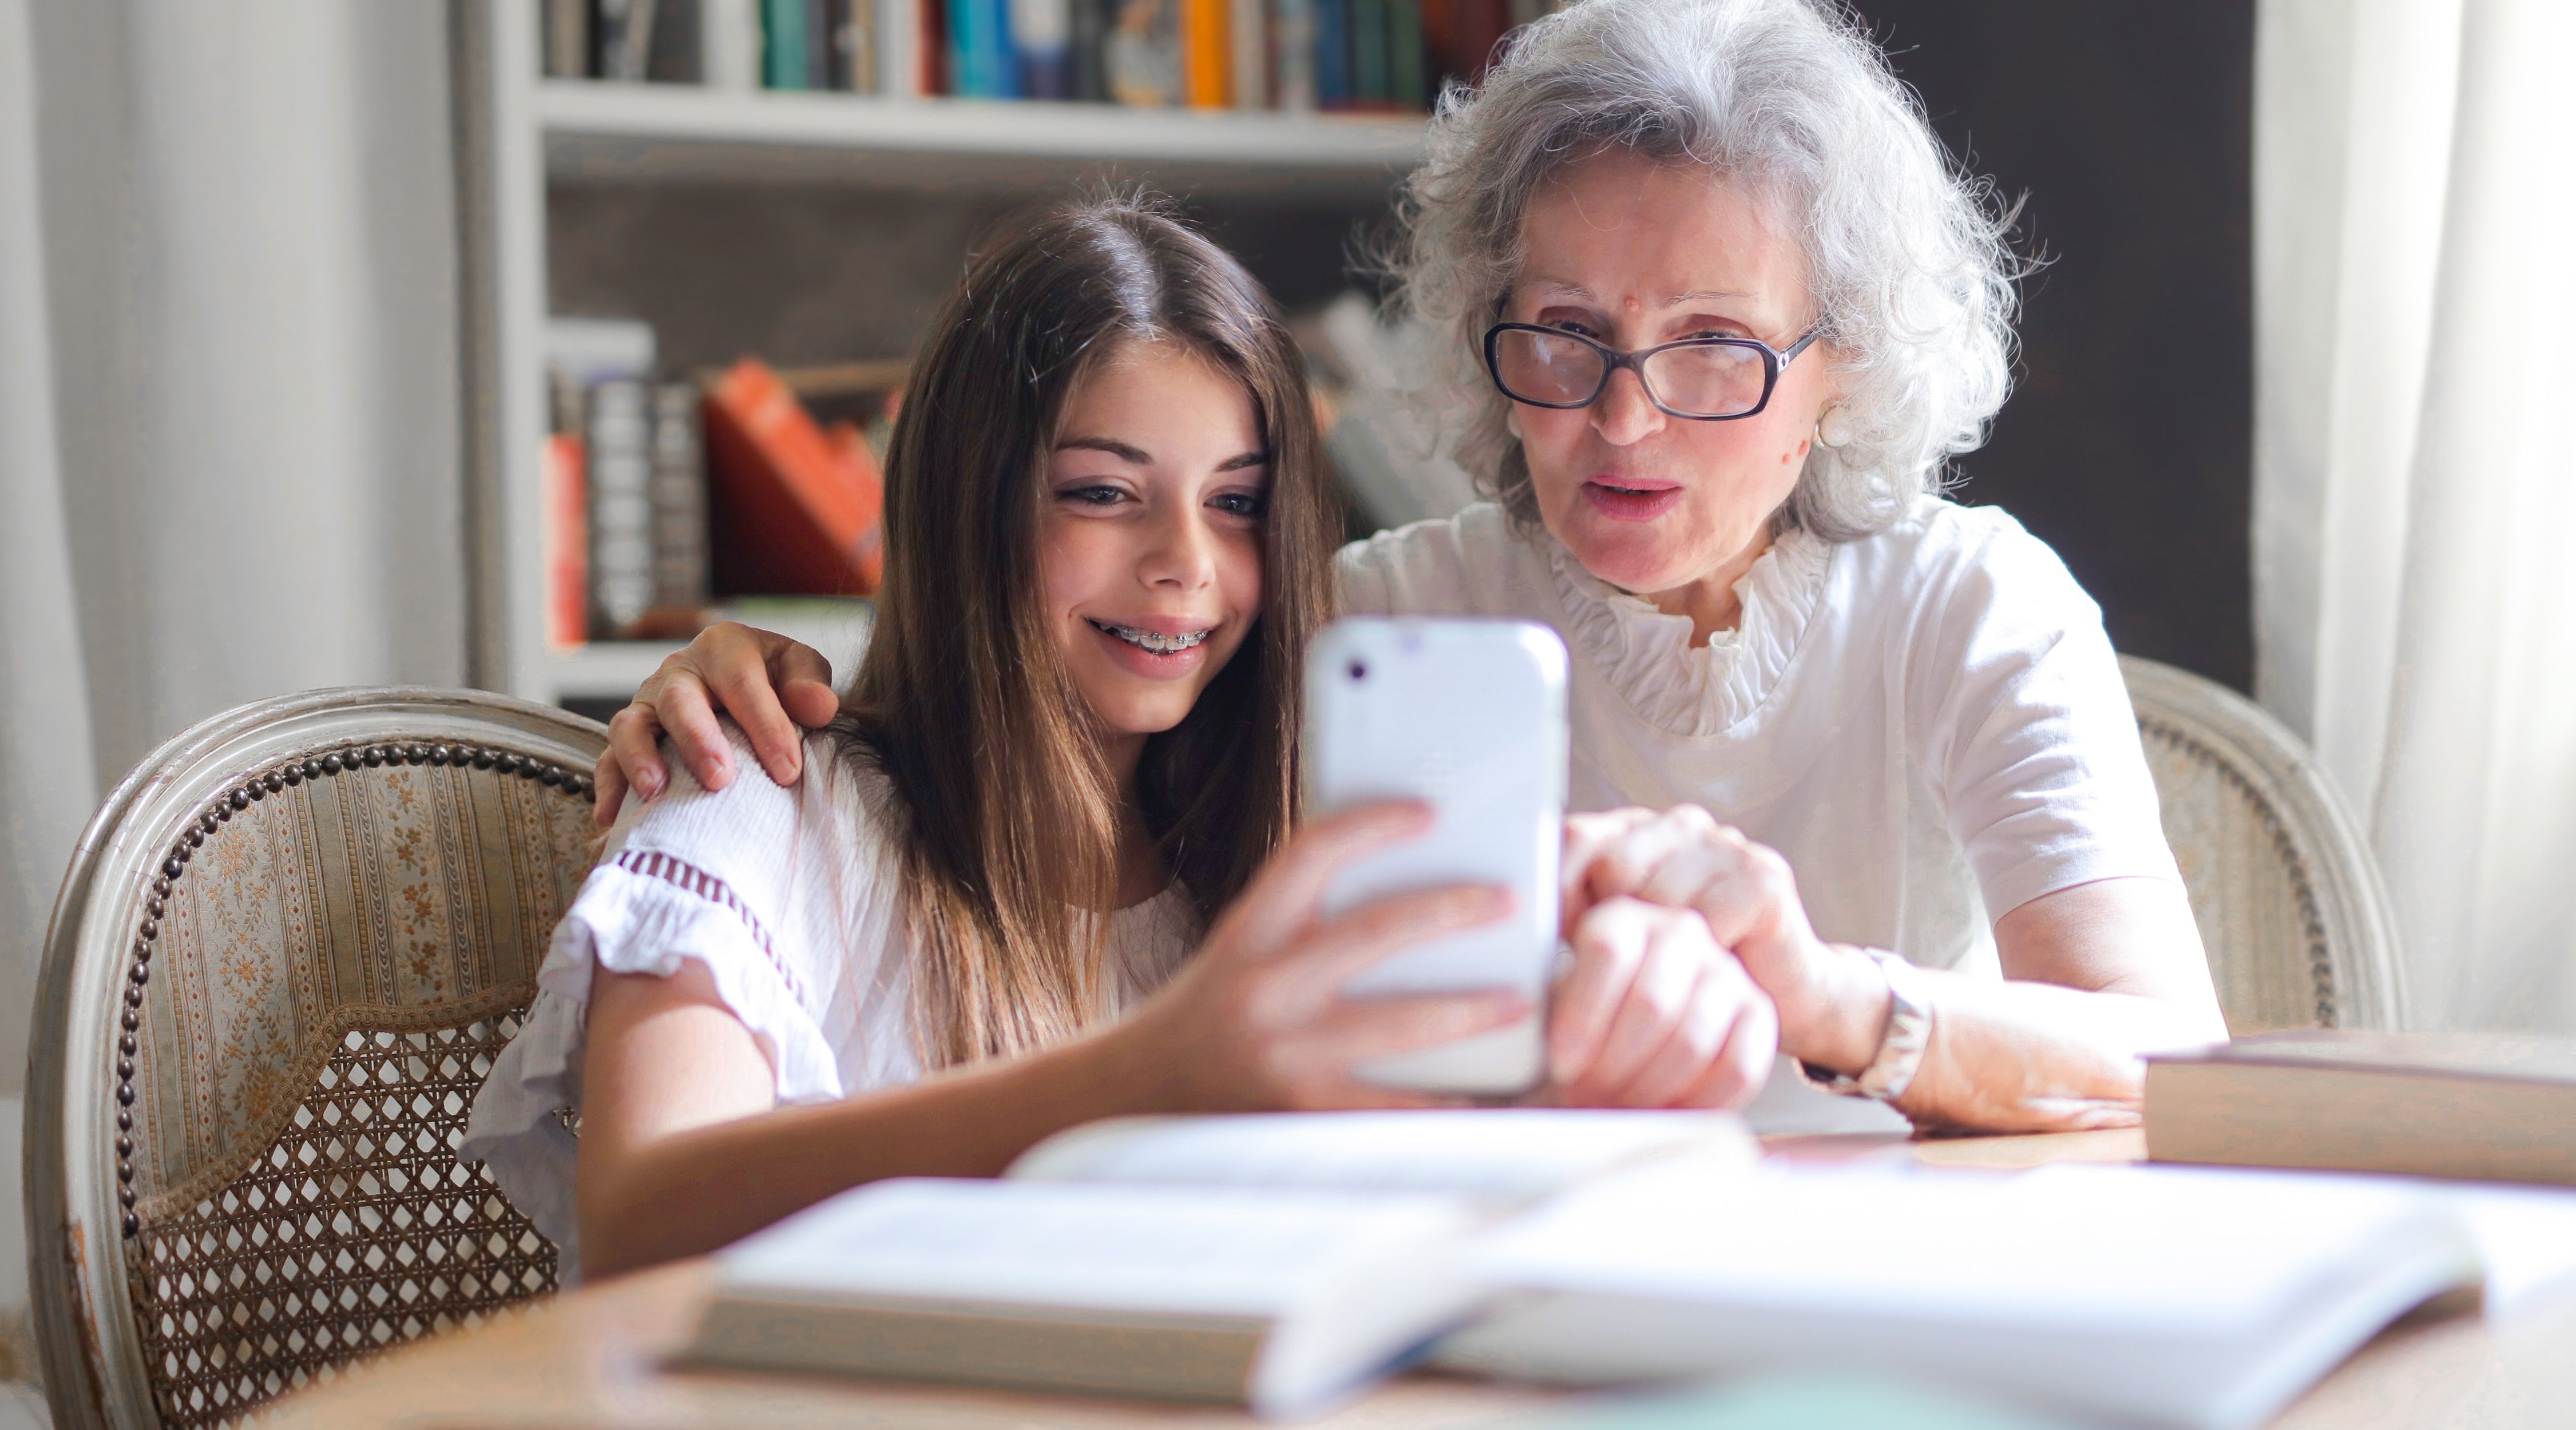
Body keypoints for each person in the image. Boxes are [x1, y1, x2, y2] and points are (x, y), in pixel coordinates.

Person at [595, 0, 2230, 1136]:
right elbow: (1036, 727)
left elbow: (2172, 1060)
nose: (1618, 416)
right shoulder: (1370, 619)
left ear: (1844, 371)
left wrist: (1825, 996)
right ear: (1480, 324)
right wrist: (744, 674)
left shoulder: (1971, 603)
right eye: (1565, 335)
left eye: (1715, 347)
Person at [463, 196, 1776, 1285]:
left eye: (1239, 505)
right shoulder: (759, 794)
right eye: (1103, 494)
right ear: (967, 504)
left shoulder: (1270, 857)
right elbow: (640, 1215)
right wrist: (1153, 1072)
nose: (1185, 569)